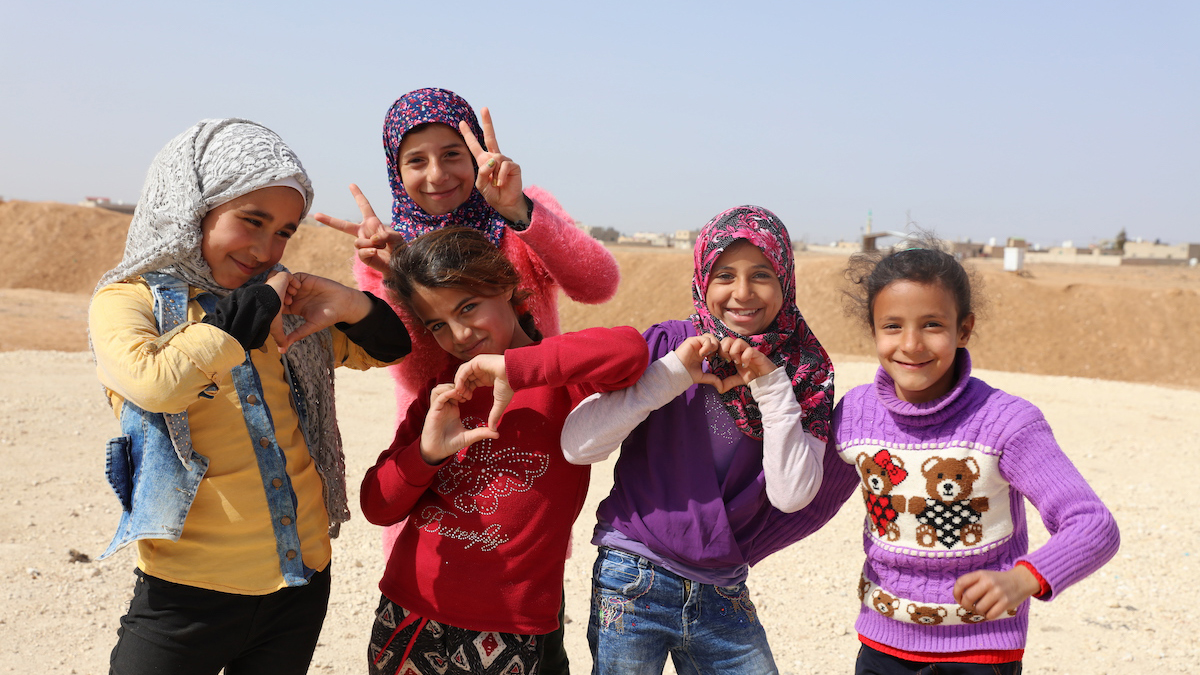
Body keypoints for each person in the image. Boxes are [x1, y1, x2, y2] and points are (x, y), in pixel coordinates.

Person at [90, 119, 412, 675]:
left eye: (285, 231)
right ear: (194, 207)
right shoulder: (129, 302)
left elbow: (387, 350)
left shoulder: (280, 302)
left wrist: (352, 304)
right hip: (185, 595)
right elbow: (157, 382)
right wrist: (257, 310)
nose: (268, 248)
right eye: (252, 221)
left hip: (300, 581)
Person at [317, 87, 615, 671]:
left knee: (523, 620)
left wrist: (520, 212)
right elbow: (415, 366)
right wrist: (395, 276)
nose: (437, 175)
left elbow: (597, 286)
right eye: (415, 160)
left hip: (531, 451)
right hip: (435, 466)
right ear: (394, 170)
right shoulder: (383, 245)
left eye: (452, 152)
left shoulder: (517, 214)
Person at [559, 205, 861, 674]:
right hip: (633, 573)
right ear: (702, 278)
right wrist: (670, 376)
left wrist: (772, 386)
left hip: (723, 588)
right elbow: (577, 445)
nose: (742, 293)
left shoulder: (805, 372)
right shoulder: (666, 346)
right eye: (724, 275)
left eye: (761, 274)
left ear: (786, 279)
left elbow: (792, 494)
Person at [359, 227, 647, 674]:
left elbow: (630, 350)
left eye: (468, 307)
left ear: (506, 286)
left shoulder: (562, 379)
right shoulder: (442, 394)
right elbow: (377, 504)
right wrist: (426, 454)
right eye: (437, 324)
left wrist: (516, 367)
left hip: (510, 627)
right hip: (409, 610)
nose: (458, 334)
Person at [834, 238, 1120, 674]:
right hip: (881, 646)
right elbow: (804, 502)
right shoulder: (856, 414)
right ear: (873, 330)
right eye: (892, 326)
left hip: (981, 654)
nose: (911, 344)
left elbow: (1092, 524)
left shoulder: (1007, 423)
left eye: (932, 324)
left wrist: (1023, 579)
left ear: (963, 329)